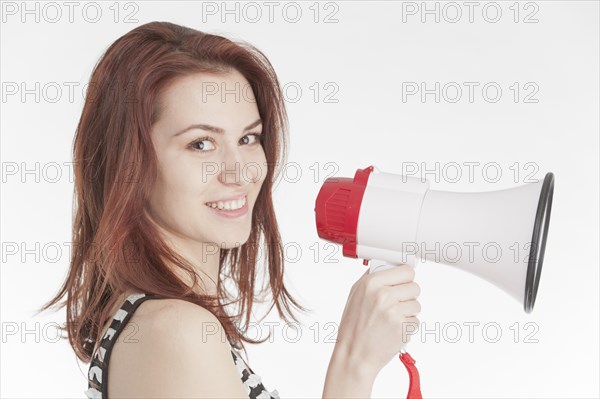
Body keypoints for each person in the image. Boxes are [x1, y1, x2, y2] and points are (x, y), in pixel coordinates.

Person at [37, 21, 421, 398]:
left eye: (248, 138)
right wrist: (354, 365)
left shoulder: (161, 324)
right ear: (128, 164)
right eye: (201, 144)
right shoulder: (175, 332)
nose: (240, 173)